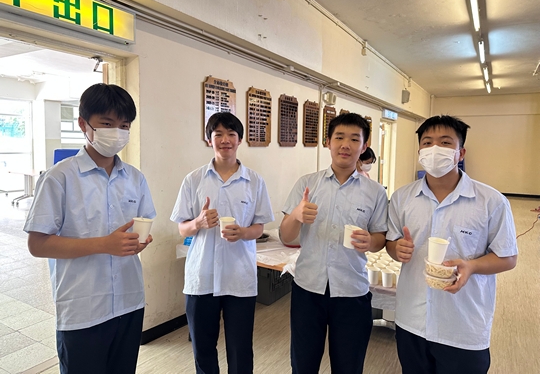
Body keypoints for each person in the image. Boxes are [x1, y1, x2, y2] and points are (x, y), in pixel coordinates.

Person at [24, 83, 156, 374]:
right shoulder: (59, 178)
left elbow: (142, 225)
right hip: (82, 309)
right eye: (107, 124)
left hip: (129, 302)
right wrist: (104, 244)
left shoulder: (135, 178)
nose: (117, 132)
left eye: (124, 125)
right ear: (84, 124)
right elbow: (38, 244)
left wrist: (139, 242)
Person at [386, 115, 518, 374]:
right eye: (427, 143)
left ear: (461, 153)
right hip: (412, 320)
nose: (435, 149)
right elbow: (391, 242)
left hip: (462, 325)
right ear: (420, 152)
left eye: (445, 142)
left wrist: (471, 266)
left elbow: (508, 257)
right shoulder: (402, 198)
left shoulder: (490, 201)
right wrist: (396, 248)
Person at [280, 112, 388, 374]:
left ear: (364, 146)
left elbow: (380, 239)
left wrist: (370, 241)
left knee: (349, 366)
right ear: (328, 142)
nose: (345, 145)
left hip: (352, 290)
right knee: (303, 365)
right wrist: (296, 215)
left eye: (354, 139)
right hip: (308, 289)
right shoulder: (308, 184)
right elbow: (285, 235)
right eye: (339, 137)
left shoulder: (375, 192)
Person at [170, 112, 274, 374]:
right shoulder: (193, 180)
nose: (225, 139)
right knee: (203, 348)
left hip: (239, 277)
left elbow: (260, 227)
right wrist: (198, 222)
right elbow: (182, 227)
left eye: (231, 134)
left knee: (240, 348)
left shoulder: (254, 181)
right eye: (218, 134)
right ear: (209, 140)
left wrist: (243, 232)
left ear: (240, 140)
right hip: (201, 276)